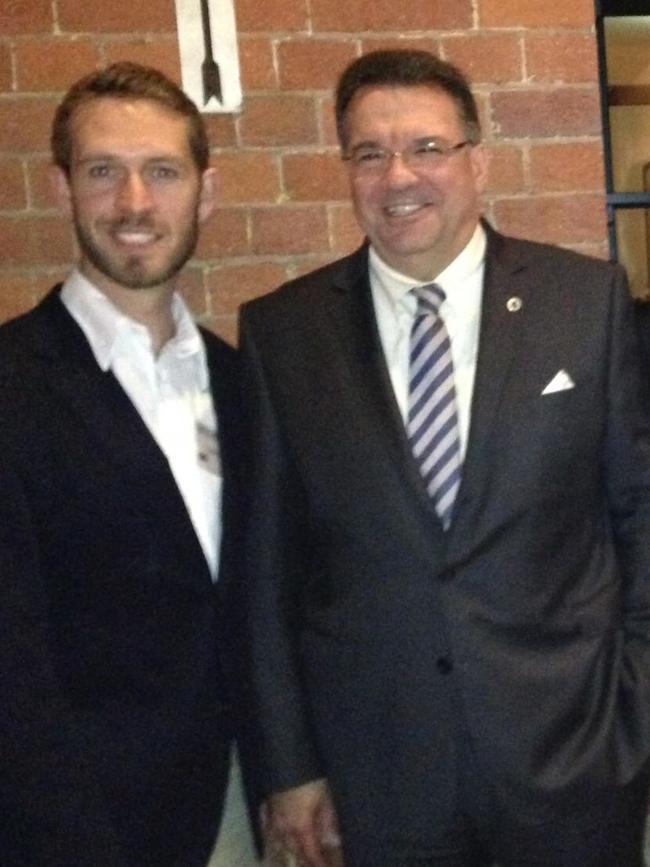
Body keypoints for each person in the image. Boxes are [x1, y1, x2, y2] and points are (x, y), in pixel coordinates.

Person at [238, 49, 650, 867]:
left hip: (574, 763)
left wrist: (633, 711)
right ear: (347, 169)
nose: (400, 178)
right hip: (377, 783)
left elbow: (639, 512)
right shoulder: (283, 334)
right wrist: (289, 768)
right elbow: (266, 574)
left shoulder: (586, 302)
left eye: (427, 148)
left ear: (477, 160)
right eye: (369, 153)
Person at [0, 62, 253, 866]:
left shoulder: (241, 380)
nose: (135, 203)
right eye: (104, 171)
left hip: (240, 811)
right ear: (62, 188)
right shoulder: (11, 385)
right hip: (78, 826)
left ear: (205, 194)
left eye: (163, 172)